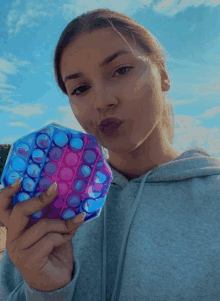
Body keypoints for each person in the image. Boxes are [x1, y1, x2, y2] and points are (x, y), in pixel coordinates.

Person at [1, 7, 220, 301]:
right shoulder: (48, 208)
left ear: (163, 75)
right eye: (80, 89)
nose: (102, 101)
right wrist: (44, 290)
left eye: (121, 70)